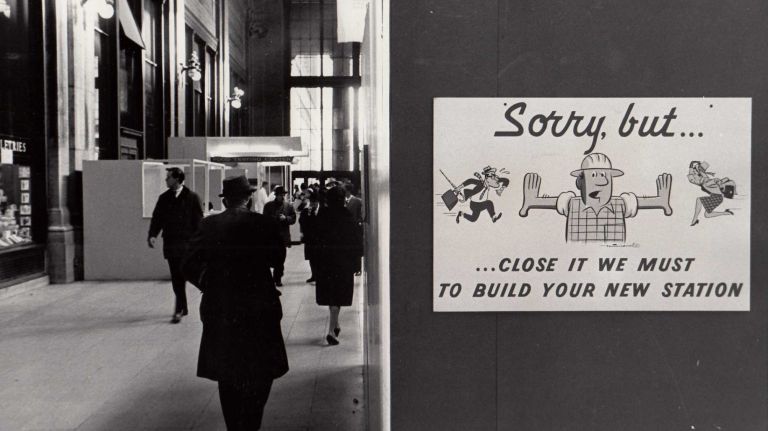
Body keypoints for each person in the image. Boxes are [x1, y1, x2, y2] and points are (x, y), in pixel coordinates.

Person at [182, 175, 288, 431]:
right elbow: (277, 258)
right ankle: (252, 422)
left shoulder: (209, 225)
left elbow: (188, 264)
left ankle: (234, 426)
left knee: (228, 370)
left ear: (225, 200)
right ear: (249, 198)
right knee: (260, 366)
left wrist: (207, 282)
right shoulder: (264, 223)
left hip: (222, 305)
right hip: (259, 304)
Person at [520, 153, 673, 243]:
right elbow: (552, 202)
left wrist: (662, 201)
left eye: (606, 175)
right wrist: (531, 201)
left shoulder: (620, 204)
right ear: (580, 182)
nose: (603, 181)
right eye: (594, 175)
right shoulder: (572, 204)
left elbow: (641, 202)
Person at [147, 167, 203, 323]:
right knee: (177, 277)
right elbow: (157, 218)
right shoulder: (164, 198)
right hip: (171, 244)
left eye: (168, 177)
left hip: (187, 245)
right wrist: (152, 235)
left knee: (186, 275)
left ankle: (182, 306)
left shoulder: (192, 197)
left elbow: (198, 222)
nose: (166, 180)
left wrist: (198, 243)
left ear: (177, 179)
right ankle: (179, 308)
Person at [315, 186, 362, 345]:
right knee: (338, 295)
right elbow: (356, 243)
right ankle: (331, 330)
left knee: (331, 294)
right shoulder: (348, 217)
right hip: (343, 263)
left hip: (325, 262)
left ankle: (335, 325)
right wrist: (356, 264)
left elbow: (314, 239)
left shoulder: (322, 216)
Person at [262, 186, 296, 286]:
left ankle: (277, 278)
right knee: (270, 258)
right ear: (276, 195)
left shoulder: (288, 206)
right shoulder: (268, 206)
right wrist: (275, 218)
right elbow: (264, 220)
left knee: (281, 259)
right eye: (281, 195)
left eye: (283, 195)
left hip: (282, 237)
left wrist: (286, 218)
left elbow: (293, 219)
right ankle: (272, 277)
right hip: (271, 237)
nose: (283, 197)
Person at [687, 160, 734, 226]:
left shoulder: (704, 180)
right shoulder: (698, 180)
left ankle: (694, 220)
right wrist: (693, 164)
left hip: (718, 197)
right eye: (695, 171)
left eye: (696, 171)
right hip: (716, 197)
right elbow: (692, 174)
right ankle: (726, 213)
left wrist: (694, 163)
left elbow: (714, 180)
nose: (695, 172)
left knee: (700, 201)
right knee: (707, 214)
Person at [299, 188, 320, 283]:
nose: (312, 204)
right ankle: (314, 275)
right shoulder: (306, 211)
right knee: (311, 257)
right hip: (310, 238)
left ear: (317, 202)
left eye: (314, 202)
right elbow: (301, 221)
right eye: (311, 202)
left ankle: (319, 275)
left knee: (318, 257)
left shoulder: (322, 211)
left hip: (319, 239)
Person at [344, 183, 364, 275]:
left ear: (348, 191)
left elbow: (360, 215)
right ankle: (350, 267)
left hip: (355, 229)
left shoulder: (357, 201)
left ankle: (358, 268)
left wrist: (358, 223)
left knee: (356, 249)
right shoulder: (342, 201)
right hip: (346, 230)